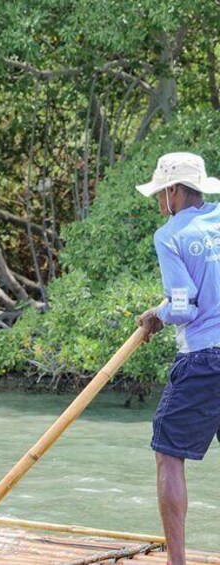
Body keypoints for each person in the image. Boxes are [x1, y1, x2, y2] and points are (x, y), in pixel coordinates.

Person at [136, 152, 220, 565]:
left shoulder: (169, 234)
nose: (158, 203)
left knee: (168, 452)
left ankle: (177, 562)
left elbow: (185, 307)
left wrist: (158, 314)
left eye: (159, 194)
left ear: (172, 192)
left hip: (206, 357)